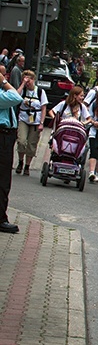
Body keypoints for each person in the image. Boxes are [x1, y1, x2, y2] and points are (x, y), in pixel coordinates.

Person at [0, 76, 23, 233]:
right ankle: (1, 219)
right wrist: (3, 82)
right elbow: (16, 97)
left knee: (4, 180)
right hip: (2, 135)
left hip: (7, 135)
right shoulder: (3, 93)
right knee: (2, 180)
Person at [15, 70, 48, 176]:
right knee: (21, 141)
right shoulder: (23, 90)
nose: (28, 82)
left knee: (31, 144)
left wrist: (41, 123)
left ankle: (27, 166)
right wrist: (23, 84)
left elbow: (43, 108)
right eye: (25, 80)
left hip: (35, 121)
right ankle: (20, 161)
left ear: (33, 80)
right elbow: (15, 96)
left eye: (29, 80)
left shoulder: (40, 92)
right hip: (23, 119)